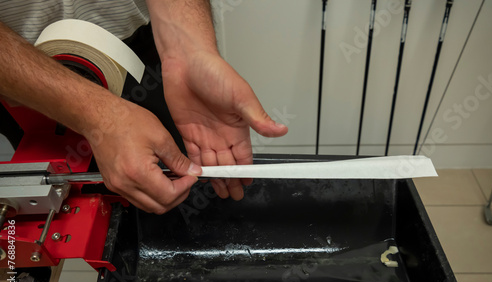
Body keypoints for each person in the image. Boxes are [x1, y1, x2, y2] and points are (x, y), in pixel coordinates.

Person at [0, 0, 288, 214]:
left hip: (145, 48)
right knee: (57, 191)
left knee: (172, 191)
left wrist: (188, 50)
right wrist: (99, 117)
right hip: (22, 71)